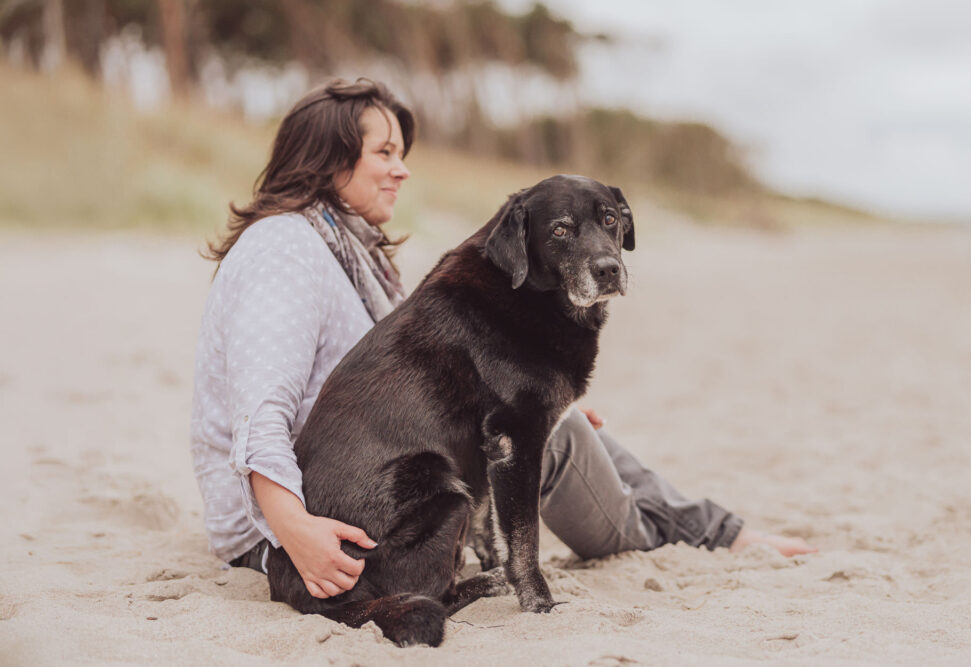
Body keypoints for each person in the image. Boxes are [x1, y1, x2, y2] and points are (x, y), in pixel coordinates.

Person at [190, 78, 815, 601]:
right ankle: (698, 534)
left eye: (400, 153)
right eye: (383, 153)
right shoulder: (283, 250)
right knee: (556, 438)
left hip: (373, 489)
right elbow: (259, 412)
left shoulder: (346, 250)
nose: (401, 169)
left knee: (566, 422)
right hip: (307, 526)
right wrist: (294, 531)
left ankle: (712, 530)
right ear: (326, 159)